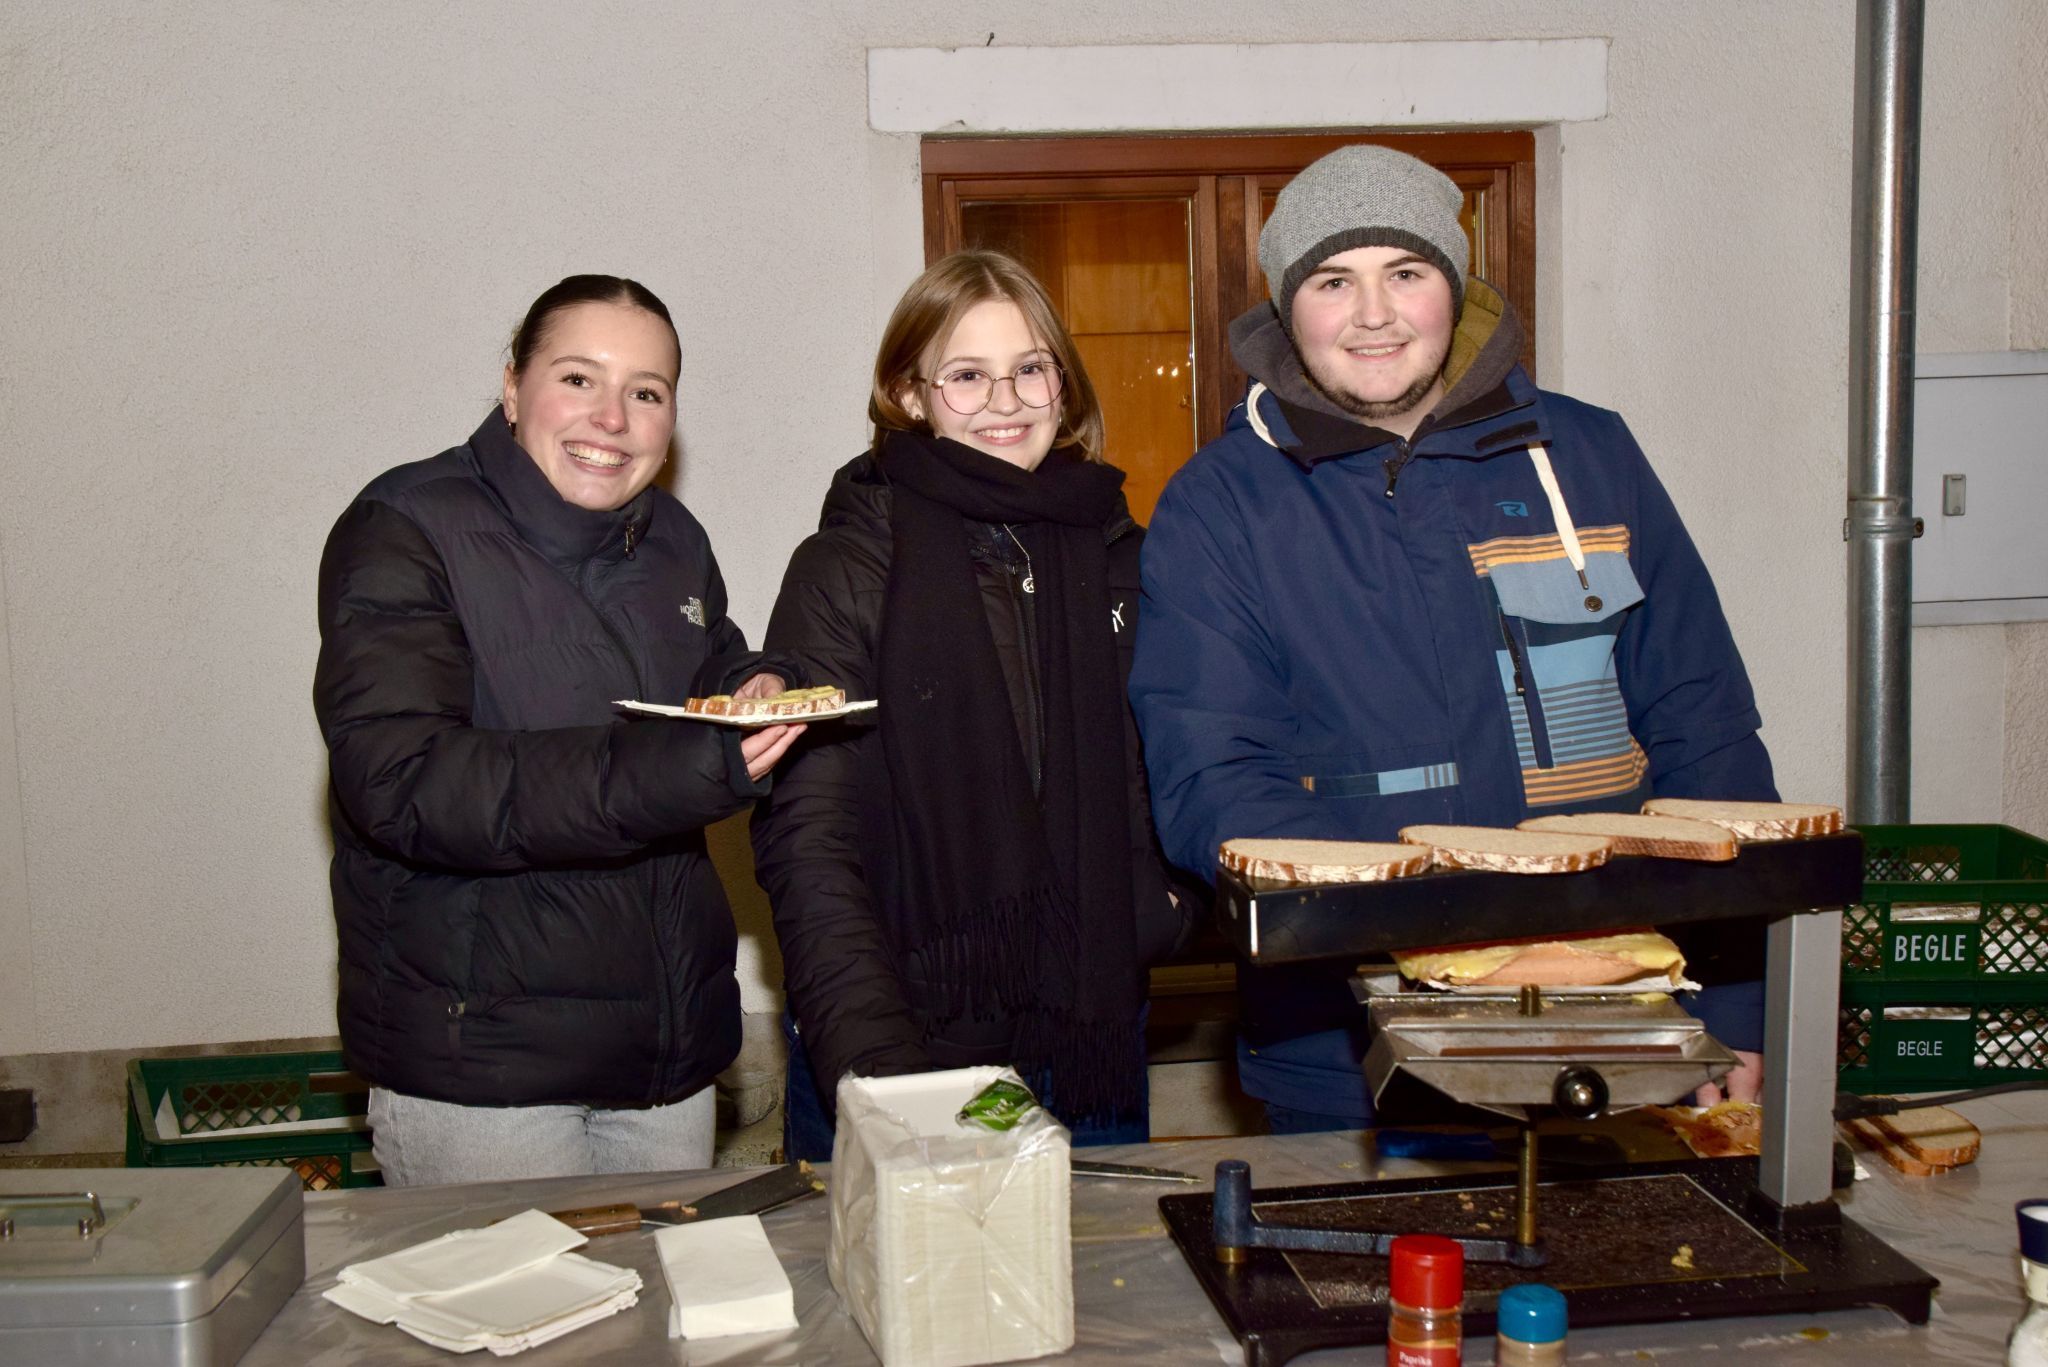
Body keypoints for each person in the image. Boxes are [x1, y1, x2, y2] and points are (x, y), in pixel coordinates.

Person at [1128, 145, 1777, 1132]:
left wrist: (1733, 999)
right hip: (1343, 1049)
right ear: (1283, 311)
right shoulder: (1221, 507)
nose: (1372, 314)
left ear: (1455, 287)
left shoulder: (1591, 454)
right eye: (1332, 281)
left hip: (1621, 1025)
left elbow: (1704, 729)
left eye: (1406, 272)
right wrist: (1451, 938)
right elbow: (1211, 783)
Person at [314, 274, 804, 1184]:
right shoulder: (407, 527)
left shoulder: (673, 539)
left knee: (661, 1323)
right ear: (512, 386)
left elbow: (711, 665)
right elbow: (403, 781)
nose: (612, 417)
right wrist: (675, 769)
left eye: (646, 392)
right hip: (486, 1075)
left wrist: (755, 683)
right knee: (527, 1330)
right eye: (579, 378)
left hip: (668, 1058)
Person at [751, 249, 1186, 1161]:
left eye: (1031, 368)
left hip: (1091, 1038)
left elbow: (1169, 777)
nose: (1007, 400)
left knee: (1102, 1296)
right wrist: (881, 1072)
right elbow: (810, 833)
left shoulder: (1125, 556)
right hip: (904, 1039)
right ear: (909, 394)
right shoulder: (848, 567)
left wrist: (1167, 914)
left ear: (1063, 386)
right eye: (968, 376)